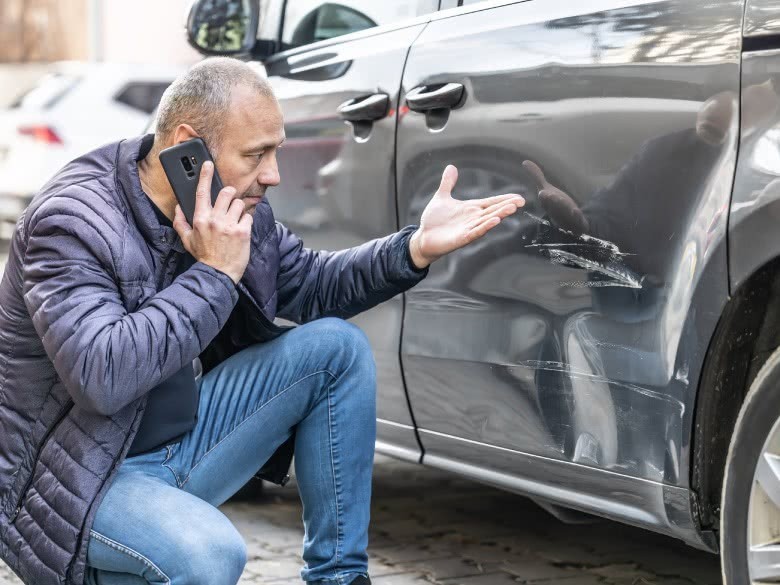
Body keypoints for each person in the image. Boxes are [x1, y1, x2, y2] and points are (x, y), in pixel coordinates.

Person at [0, 56, 525, 585]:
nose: (273, 174)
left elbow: (314, 285)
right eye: (256, 154)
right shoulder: (72, 221)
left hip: (178, 446)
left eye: (275, 151)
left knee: (334, 350)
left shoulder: (232, 205)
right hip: (78, 483)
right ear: (189, 146)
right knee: (208, 556)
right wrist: (212, 273)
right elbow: (102, 377)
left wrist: (412, 248)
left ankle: (338, 579)